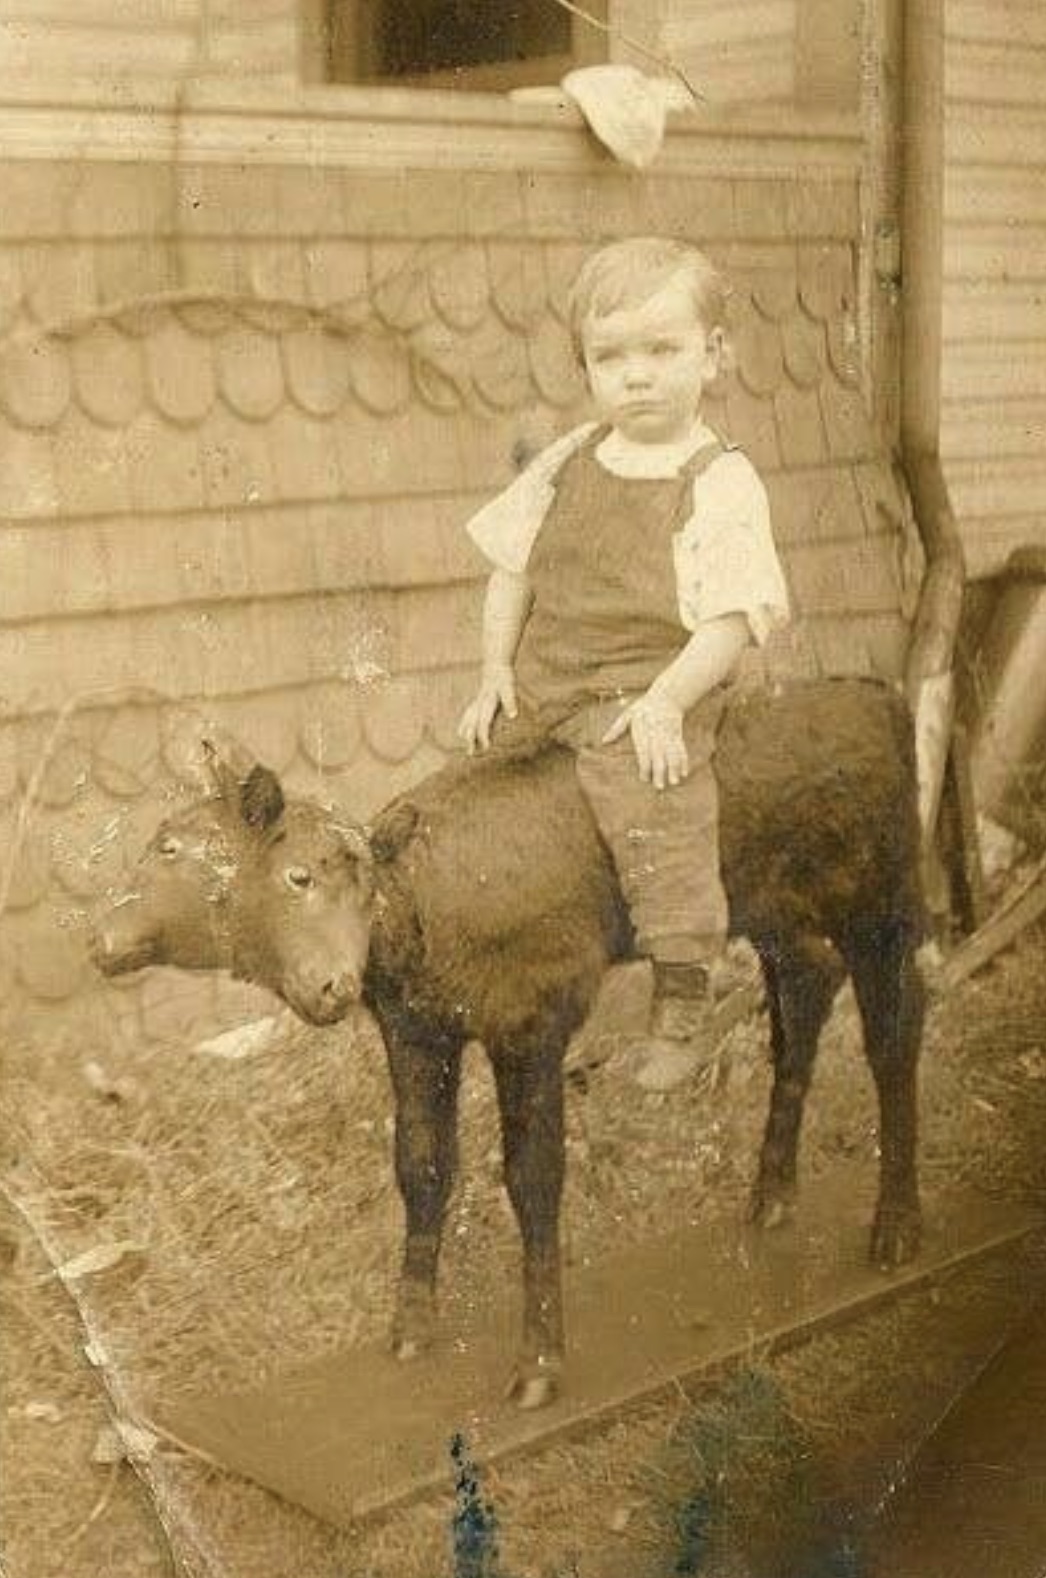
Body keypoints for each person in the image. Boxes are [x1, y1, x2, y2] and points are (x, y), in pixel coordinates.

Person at [458, 237, 790, 1089]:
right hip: (556, 685)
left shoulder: (717, 479)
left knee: (654, 806)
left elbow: (728, 621)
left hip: (659, 682)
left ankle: (687, 983)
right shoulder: (569, 461)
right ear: (586, 368)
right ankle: (543, 975)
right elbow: (514, 569)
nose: (635, 376)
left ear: (713, 356)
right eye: (611, 357)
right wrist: (496, 669)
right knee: (493, 794)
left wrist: (668, 701)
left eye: (661, 350)